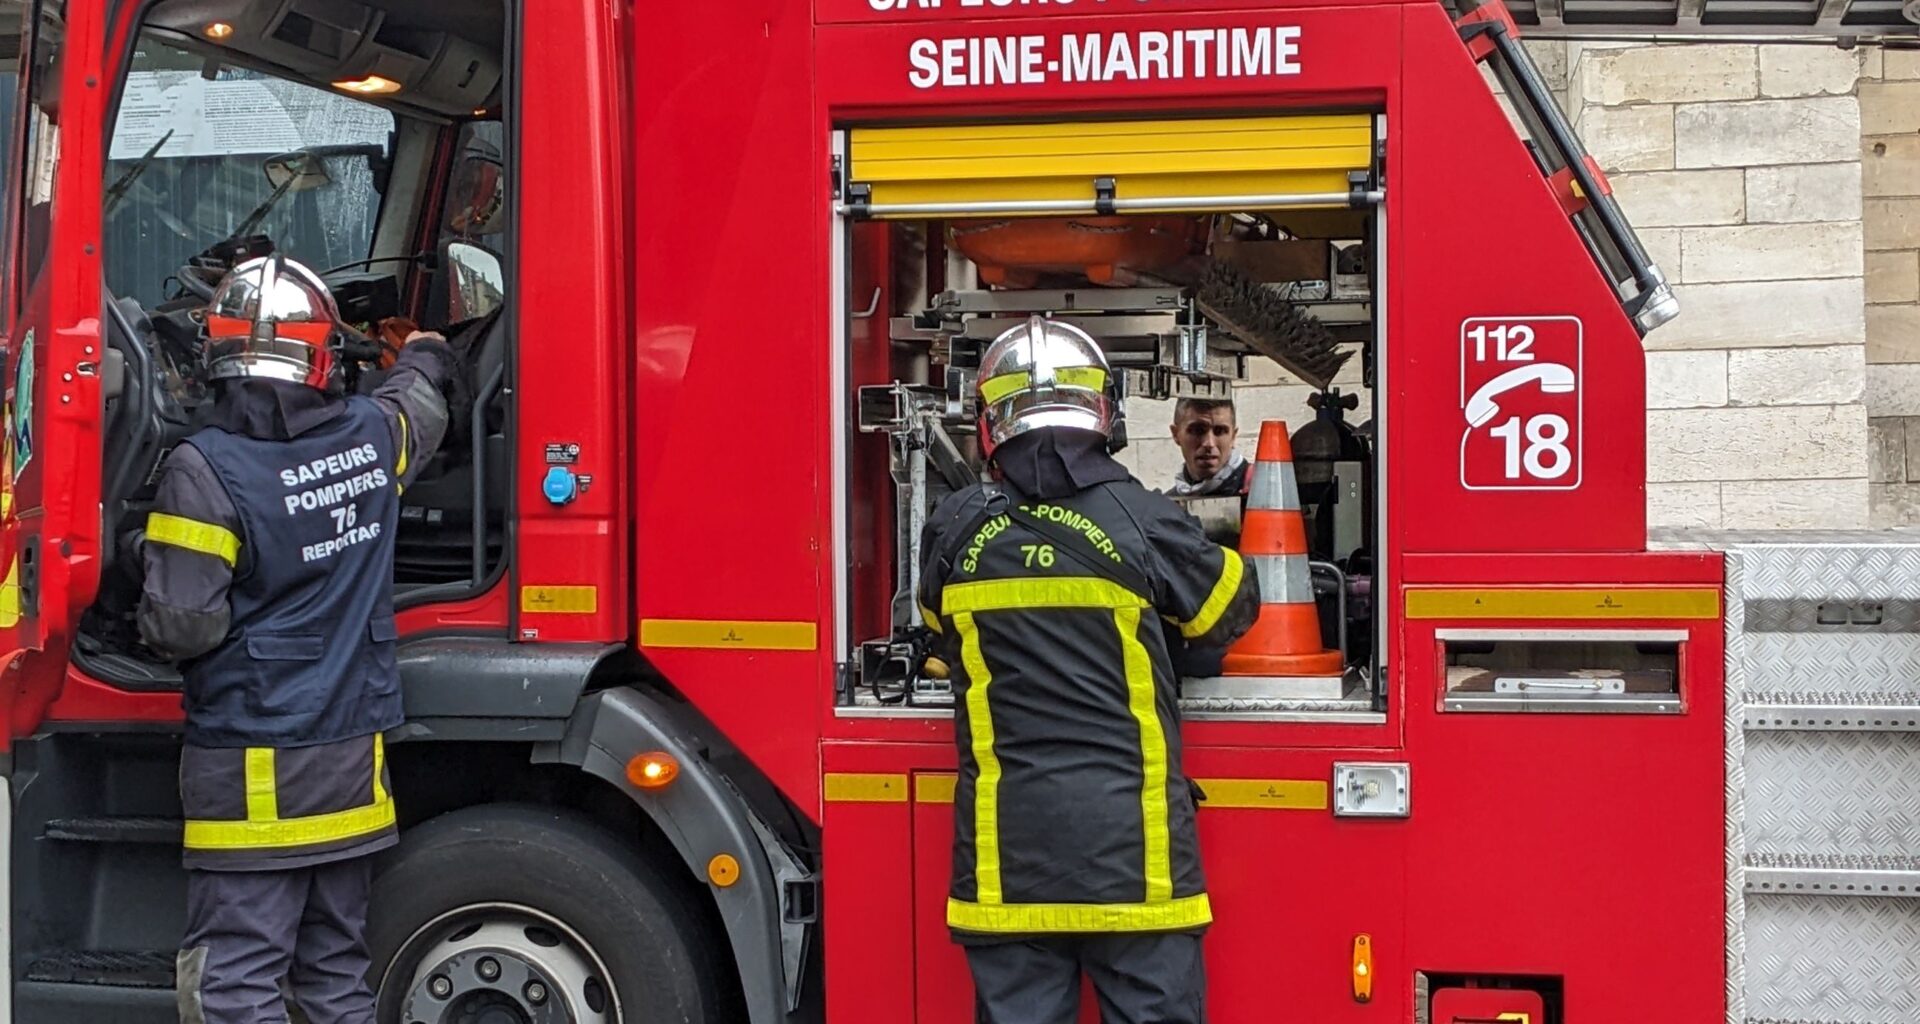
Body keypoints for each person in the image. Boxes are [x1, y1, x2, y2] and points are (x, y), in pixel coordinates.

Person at [136, 254, 455, 1024]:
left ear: (214, 355)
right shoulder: (376, 437)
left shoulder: (201, 471)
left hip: (253, 766)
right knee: (336, 980)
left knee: (235, 985)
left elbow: (183, 625)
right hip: (352, 764)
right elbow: (422, 404)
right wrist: (425, 351)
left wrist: (135, 568)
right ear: (322, 357)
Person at [917, 315, 1260, 1024]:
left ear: (990, 422)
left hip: (1006, 859)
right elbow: (1228, 609)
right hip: (1136, 860)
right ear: (1106, 412)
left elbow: (934, 627)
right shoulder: (1143, 518)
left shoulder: (954, 530)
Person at [1167, 397, 1248, 498]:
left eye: (1220, 431)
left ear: (1233, 436)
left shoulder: (1263, 495)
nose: (1209, 443)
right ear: (1176, 434)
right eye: (1198, 431)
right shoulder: (1166, 506)